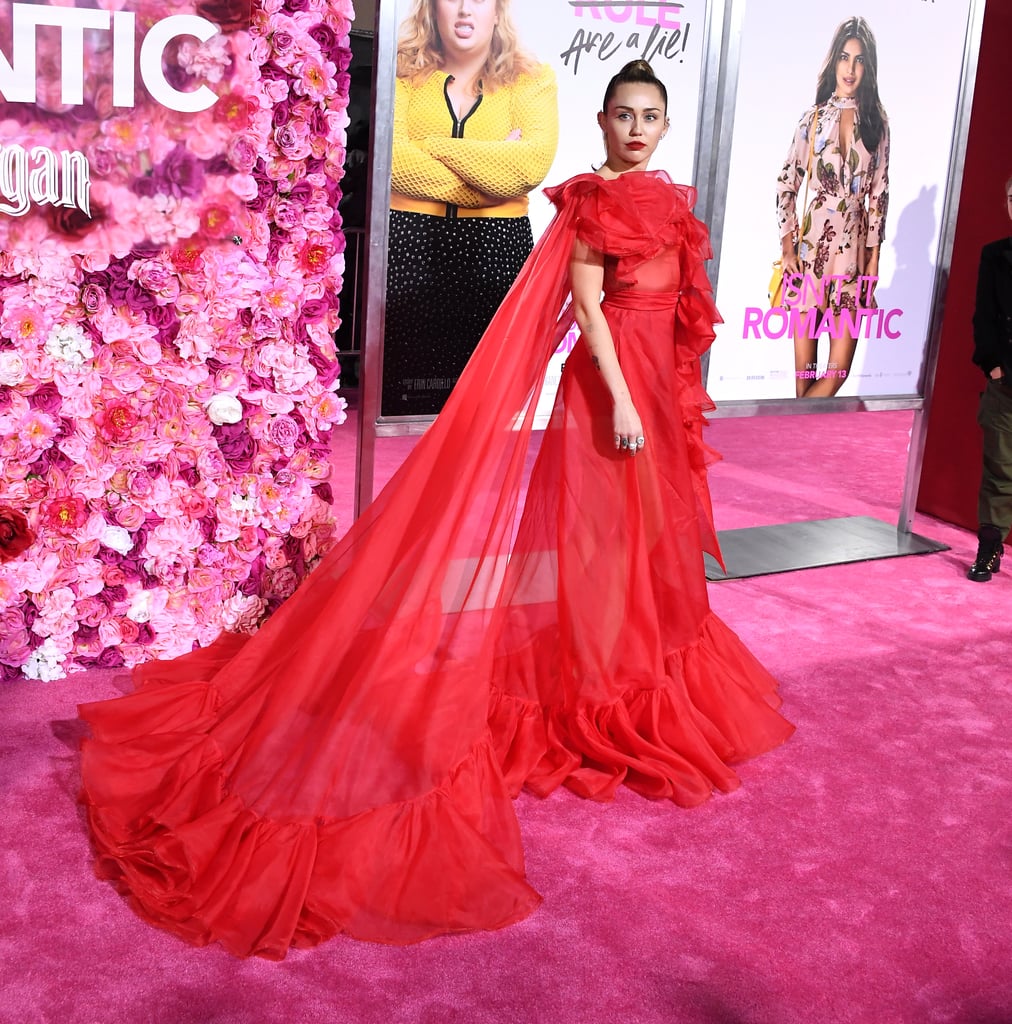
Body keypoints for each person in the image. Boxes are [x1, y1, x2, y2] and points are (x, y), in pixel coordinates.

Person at [78, 61, 794, 959]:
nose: (639, 129)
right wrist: (616, 394)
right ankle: (600, 681)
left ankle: (618, 669)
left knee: (641, 543)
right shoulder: (588, 200)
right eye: (625, 115)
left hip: (655, 386)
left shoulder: (667, 197)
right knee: (597, 534)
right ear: (604, 121)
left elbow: (679, 305)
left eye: (652, 116)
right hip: (609, 390)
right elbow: (588, 308)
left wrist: (670, 390)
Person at [382, 0, 558, 416]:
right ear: (430, 8)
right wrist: (489, 173)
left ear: (498, 11)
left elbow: (528, 166)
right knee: (401, 407)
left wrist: (430, 147)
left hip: (495, 250)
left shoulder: (531, 79)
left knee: (486, 409)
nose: (464, 10)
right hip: (408, 245)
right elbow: (391, 162)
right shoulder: (401, 72)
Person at [776, 16, 890, 398]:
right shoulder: (813, 119)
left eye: (859, 60)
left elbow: (879, 194)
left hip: (853, 260)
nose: (850, 68)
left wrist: (872, 264)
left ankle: (783, 437)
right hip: (810, 254)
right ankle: (796, 453)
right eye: (844, 57)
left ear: (867, 68)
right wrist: (788, 247)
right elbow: (786, 183)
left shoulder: (876, 123)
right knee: (804, 379)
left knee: (836, 372)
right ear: (834, 62)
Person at [967, 173, 1012, 582]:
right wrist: (993, 365)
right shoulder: (995, 255)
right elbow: (983, 316)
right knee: (999, 470)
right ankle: (990, 548)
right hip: (1005, 384)